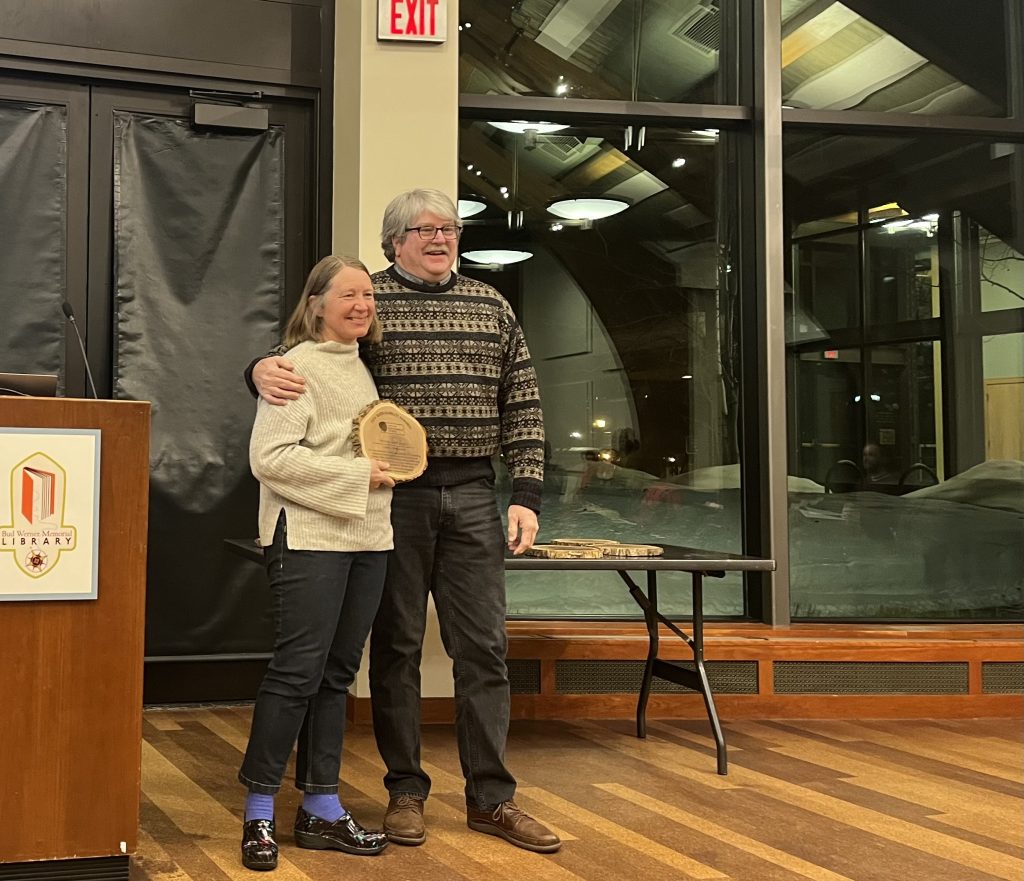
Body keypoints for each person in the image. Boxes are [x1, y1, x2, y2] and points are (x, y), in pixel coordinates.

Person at [247, 189, 560, 854]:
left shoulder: (492, 304)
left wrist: (527, 491)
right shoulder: (370, 300)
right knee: (396, 650)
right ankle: (406, 791)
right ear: (395, 241)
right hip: (393, 501)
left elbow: (524, 403)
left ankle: (492, 800)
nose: (440, 237)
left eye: (448, 227)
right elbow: (296, 356)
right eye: (423, 229)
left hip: (476, 493)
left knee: (484, 649)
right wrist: (254, 370)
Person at [239, 255, 394, 871]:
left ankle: (321, 808)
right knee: (297, 673)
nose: (363, 305)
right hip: (306, 537)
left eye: (369, 297)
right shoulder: (294, 368)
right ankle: (258, 812)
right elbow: (270, 459)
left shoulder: (362, 368)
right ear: (318, 303)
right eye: (349, 295)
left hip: (368, 538)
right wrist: (363, 474)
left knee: (336, 675)